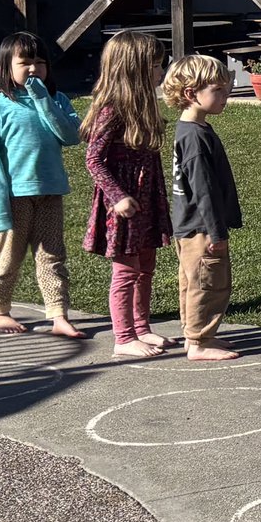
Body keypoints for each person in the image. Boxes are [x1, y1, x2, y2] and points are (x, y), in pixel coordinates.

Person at [0, 30, 85, 339]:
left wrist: (42, 99)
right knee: (9, 256)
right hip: (15, 198)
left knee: (52, 256)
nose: (34, 68)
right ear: (5, 68)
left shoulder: (58, 101)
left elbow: (71, 136)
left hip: (50, 193)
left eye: (40, 62)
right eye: (24, 63)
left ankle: (58, 314)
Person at [82, 32, 174, 358]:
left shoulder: (144, 107)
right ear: (134, 69)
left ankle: (141, 327)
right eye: (156, 65)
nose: (161, 72)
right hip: (124, 206)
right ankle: (123, 337)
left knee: (146, 267)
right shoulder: (112, 110)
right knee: (126, 271)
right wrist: (117, 196)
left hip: (147, 200)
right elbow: (93, 160)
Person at [165, 53, 243, 361]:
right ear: (190, 93)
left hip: (189, 225)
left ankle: (194, 335)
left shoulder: (190, 129)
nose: (226, 96)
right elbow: (203, 190)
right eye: (218, 90)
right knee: (208, 284)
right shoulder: (196, 137)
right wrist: (216, 232)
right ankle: (198, 342)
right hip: (201, 227)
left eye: (226, 89)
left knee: (192, 281)